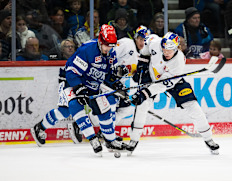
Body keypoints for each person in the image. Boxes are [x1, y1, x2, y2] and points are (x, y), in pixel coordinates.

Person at [30, 24, 127, 155]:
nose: (109, 48)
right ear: (100, 41)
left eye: (112, 45)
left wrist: (116, 79)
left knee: (103, 108)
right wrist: (79, 88)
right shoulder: (87, 49)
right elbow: (72, 72)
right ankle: (40, 128)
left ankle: (110, 140)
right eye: (107, 45)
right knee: (69, 108)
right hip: (71, 80)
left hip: (92, 83)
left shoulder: (111, 52)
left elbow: (108, 75)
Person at [125, 32, 220, 155]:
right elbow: (146, 46)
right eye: (164, 49)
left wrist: (145, 93)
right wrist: (142, 63)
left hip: (172, 81)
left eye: (170, 50)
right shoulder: (154, 42)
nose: (166, 52)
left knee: (192, 106)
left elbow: (163, 85)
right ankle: (134, 139)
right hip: (152, 77)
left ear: (176, 48)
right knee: (141, 106)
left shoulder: (179, 61)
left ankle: (209, 139)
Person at [68, 25, 151, 144]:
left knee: (126, 108)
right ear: (136, 37)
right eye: (141, 39)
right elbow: (108, 55)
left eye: (145, 40)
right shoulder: (127, 44)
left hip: (118, 83)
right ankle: (89, 128)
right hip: (106, 80)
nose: (143, 42)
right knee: (110, 105)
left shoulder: (143, 55)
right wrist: (114, 71)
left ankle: (105, 130)